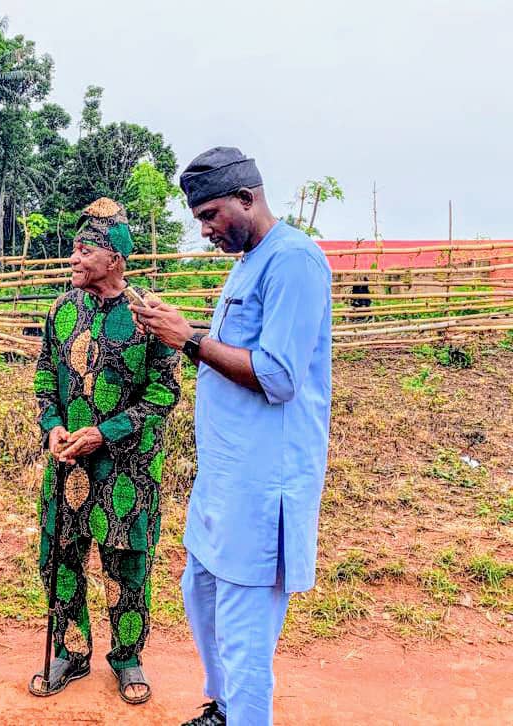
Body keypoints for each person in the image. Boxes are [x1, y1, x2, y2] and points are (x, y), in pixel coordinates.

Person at [130, 148, 332, 725]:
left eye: (213, 214)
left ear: (249, 198)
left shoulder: (293, 262)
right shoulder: (248, 262)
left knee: (245, 634)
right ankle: (223, 708)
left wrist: (188, 339)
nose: (206, 228)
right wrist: (183, 331)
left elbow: (279, 375)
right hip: (224, 481)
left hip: (262, 488)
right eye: (199, 218)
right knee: (203, 598)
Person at [28, 198, 180, 705]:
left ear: (115, 258)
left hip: (127, 469)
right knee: (61, 559)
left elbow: (164, 392)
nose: (73, 258)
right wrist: (52, 427)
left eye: (84, 249)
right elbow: (46, 378)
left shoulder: (148, 314)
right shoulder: (60, 310)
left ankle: (128, 658)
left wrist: (105, 432)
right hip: (68, 463)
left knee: (126, 564)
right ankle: (71, 653)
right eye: (74, 249)